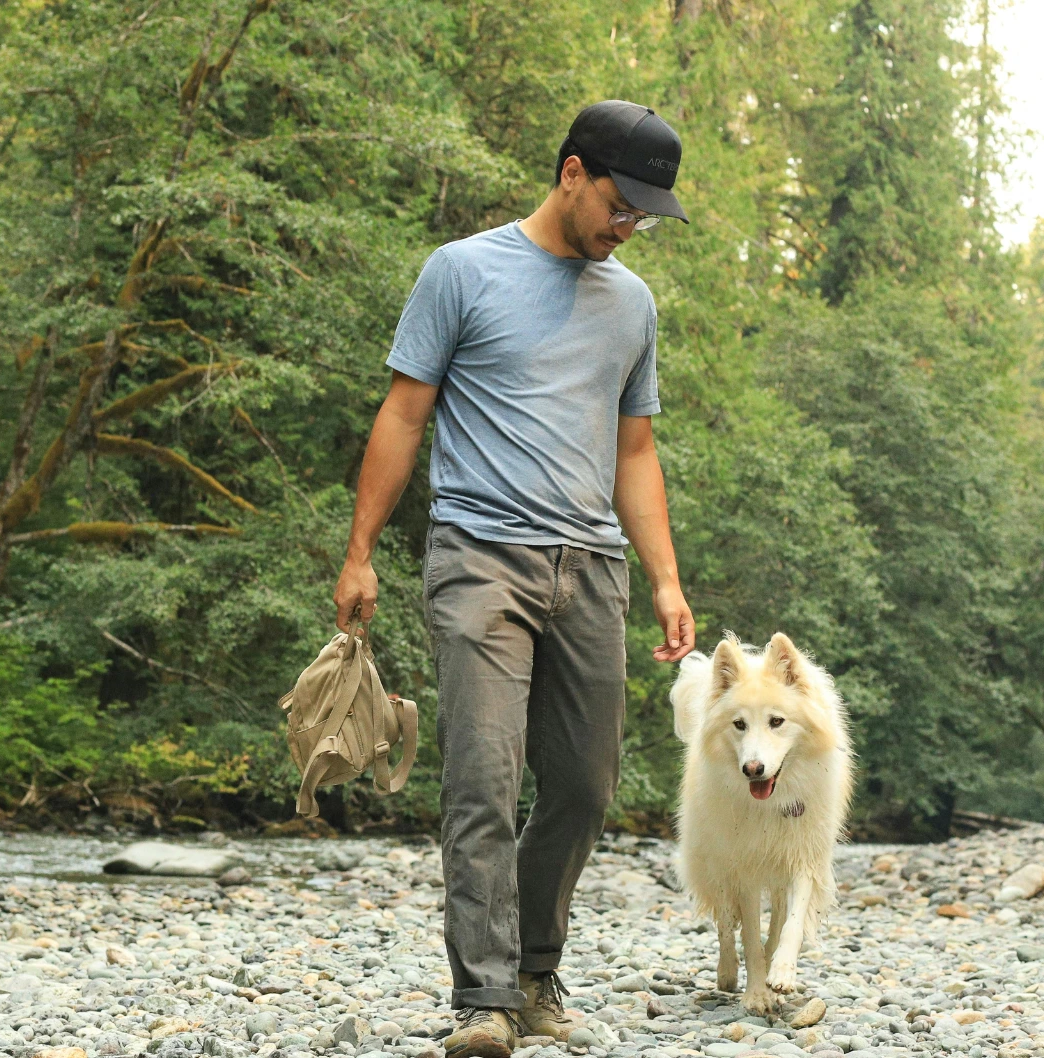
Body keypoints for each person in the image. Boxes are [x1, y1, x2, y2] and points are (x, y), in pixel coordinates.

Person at [331, 100, 697, 1058]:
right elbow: (405, 415)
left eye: (647, 216)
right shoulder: (463, 271)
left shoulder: (633, 304)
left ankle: (537, 971)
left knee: (583, 785)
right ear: (573, 173)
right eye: (623, 204)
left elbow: (635, 451)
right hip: (479, 555)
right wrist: (361, 549)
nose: (631, 226)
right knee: (483, 779)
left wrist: (664, 577)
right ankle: (485, 1000)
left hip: (594, 570)